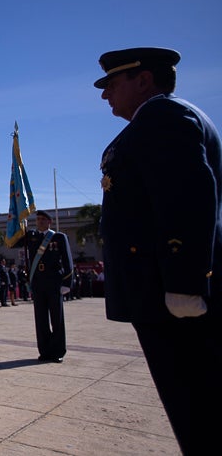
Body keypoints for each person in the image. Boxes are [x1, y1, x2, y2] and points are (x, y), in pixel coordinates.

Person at [95, 46, 222, 454]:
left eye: (112, 84)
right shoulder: (165, 118)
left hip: (172, 299)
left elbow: (184, 199)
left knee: (196, 406)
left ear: (143, 80)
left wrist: (184, 283)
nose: (105, 95)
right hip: (164, 293)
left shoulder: (163, 117)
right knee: (194, 405)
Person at [22, 210, 73, 363]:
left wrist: (66, 283)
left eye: (43, 219)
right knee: (41, 319)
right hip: (38, 283)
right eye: (38, 219)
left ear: (49, 222)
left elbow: (67, 261)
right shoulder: (31, 237)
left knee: (57, 319)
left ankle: (57, 351)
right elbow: (12, 242)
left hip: (54, 282)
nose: (40, 222)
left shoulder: (58, 237)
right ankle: (44, 351)